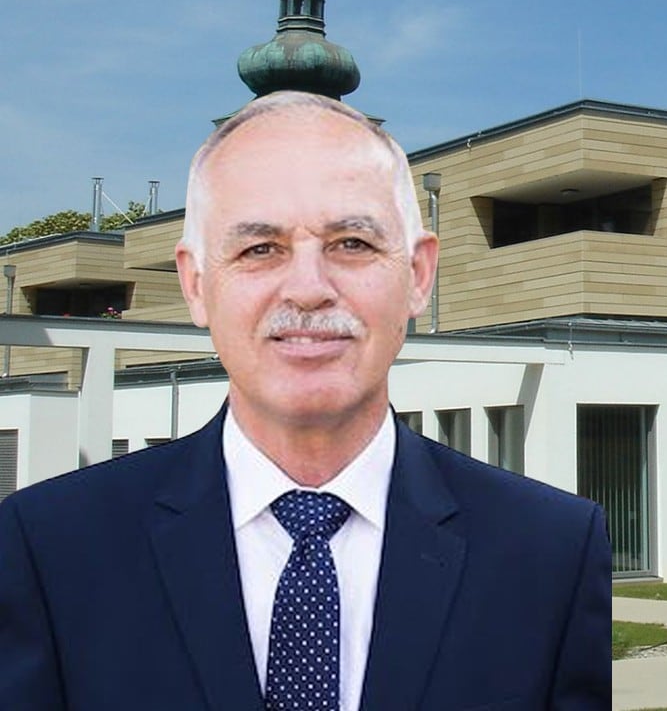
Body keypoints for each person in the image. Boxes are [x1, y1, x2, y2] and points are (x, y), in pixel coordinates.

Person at [0, 91, 612, 710]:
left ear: (419, 274)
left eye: (352, 243)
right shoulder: (51, 549)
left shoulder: (551, 554)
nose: (309, 289)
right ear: (196, 284)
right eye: (259, 249)